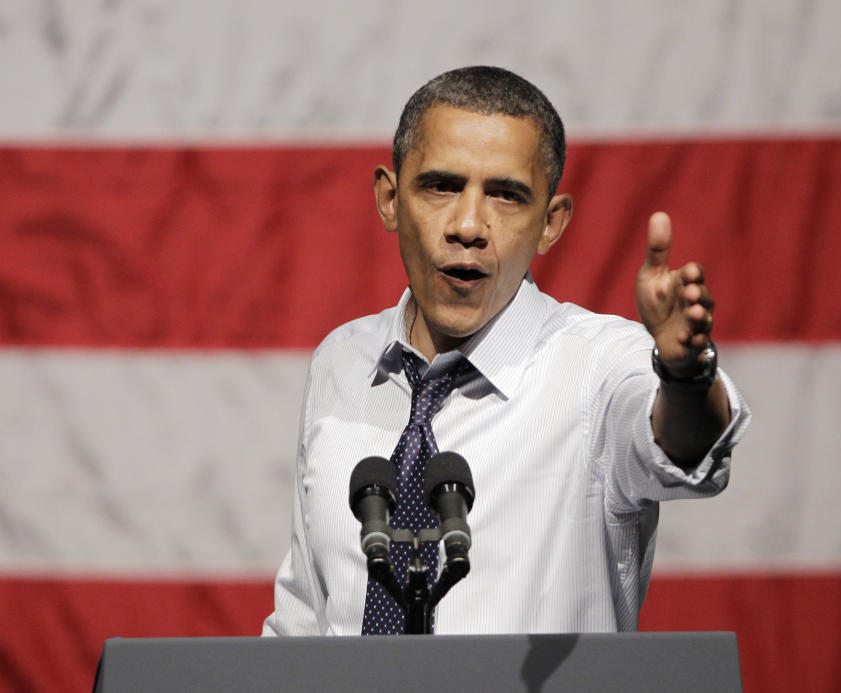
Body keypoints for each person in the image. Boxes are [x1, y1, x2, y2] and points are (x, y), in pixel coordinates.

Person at [262, 66, 749, 636]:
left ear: (551, 223)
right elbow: (302, 620)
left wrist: (685, 376)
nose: (468, 225)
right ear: (390, 199)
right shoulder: (340, 362)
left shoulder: (598, 365)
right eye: (442, 186)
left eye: (505, 195)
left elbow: (685, 448)